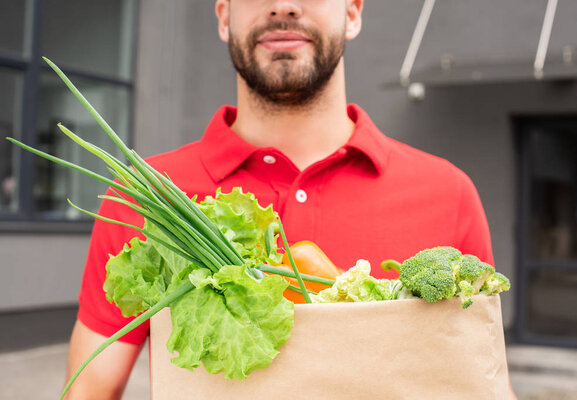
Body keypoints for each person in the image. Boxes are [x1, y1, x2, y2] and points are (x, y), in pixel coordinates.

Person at [64, 1, 518, 398]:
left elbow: (487, 384)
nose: (282, 5)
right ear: (224, 16)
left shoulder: (448, 193)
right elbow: (89, 390)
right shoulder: (149, 198)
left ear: (353, 11)